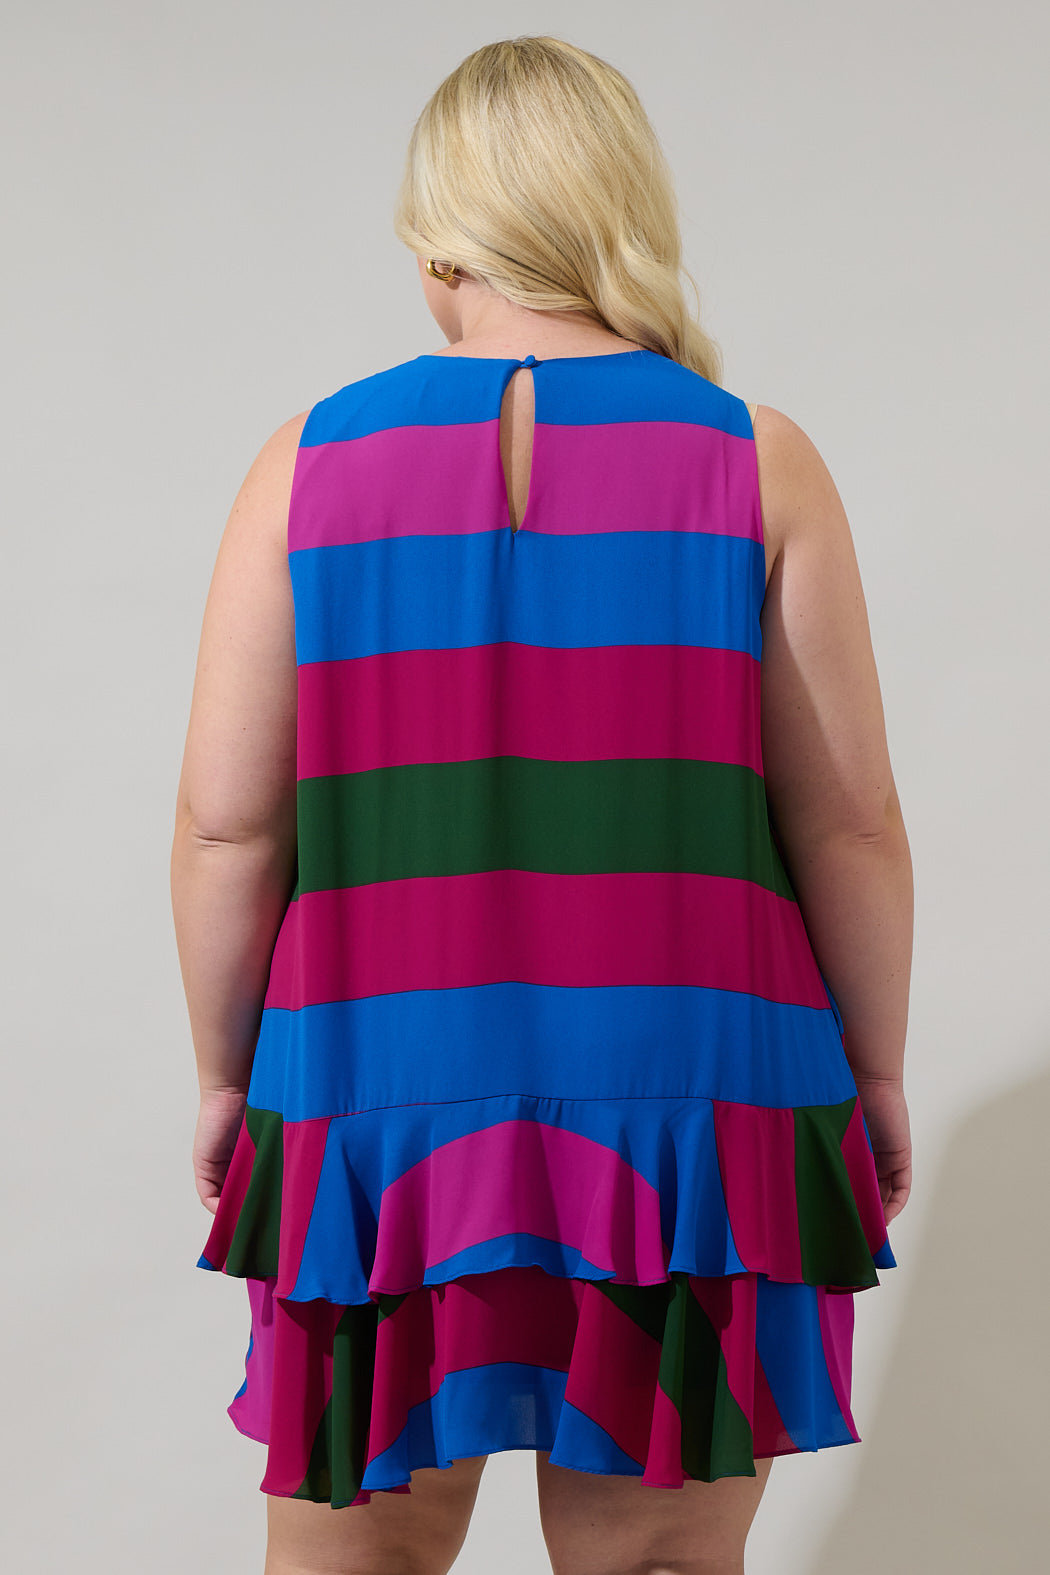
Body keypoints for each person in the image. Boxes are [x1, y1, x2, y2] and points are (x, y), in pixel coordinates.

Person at [170, 33, 913, 1575]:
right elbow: (844, 821)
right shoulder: (753, 461)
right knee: (657, 1556)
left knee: (360, 1553)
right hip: (690, 1096)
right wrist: (880, 1072)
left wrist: (226, 1080)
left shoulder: (306, 466)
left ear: (439, 236)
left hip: (377, 1087)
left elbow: (230, 827)